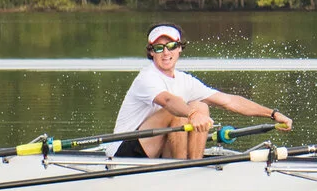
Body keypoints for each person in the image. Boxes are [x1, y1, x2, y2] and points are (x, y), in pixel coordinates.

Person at [113, 24, 291, 159]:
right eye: (159, 48)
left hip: (156, 150)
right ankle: (183, 170)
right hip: (124, 153)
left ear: (180, 48)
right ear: (151, 52)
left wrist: (273, 114)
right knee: (180, 111)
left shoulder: (185, 80)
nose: (165, 52)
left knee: (201, 106)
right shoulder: (147, 77)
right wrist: (192, 114)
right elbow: (168, 101)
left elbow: (229, 101)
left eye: (171, 46)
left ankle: (192, 166)